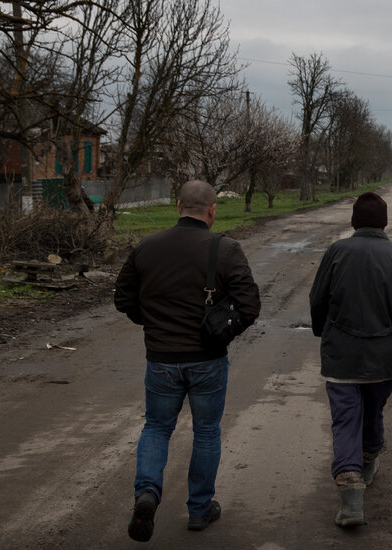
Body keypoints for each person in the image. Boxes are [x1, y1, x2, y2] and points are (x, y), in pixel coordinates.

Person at [115, 180, 260, 542]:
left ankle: (146, 493)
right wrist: (223, 332)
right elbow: (250, 305)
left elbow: (123, 298)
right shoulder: (225, 249)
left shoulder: (146, 247)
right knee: (206, 431)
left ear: (178, 205)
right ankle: (199, 509)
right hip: (207, 360)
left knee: (157, 427)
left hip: (161, 358)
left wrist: (152, 323)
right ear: (212, 210)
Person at [309, 191, 392, 528]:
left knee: (347, 419)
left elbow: (317, 299)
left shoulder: (337, 252)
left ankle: (351, 501)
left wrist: (323, 331)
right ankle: (369, 457)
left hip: (342, 358)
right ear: (385, 223)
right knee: (372, 411)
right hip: (383, 360)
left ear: (354, 222)